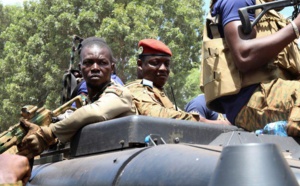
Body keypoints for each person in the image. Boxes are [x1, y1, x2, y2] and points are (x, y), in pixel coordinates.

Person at [17, 37, 136, 159]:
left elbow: (94, 113)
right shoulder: (87, 100)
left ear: (112, 68)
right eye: (88, 62)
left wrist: (48, 133)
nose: (95, 67)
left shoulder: (119, 93)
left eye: (102, 63)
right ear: (80, 68)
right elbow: (73, 119)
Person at [201, 0, 300, 136]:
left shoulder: (273, 15)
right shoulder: (237, 2)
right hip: (251, 99)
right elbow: (244, 56)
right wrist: (295, 27)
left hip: (276, 93)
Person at [126, 38, 202, 121]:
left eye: (167, 64)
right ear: (140, 65)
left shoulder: (156, 91)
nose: (163, 68)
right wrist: (200, 120)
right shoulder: (136, 89)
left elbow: (178, 114)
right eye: (155, 63)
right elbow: (158, 116)